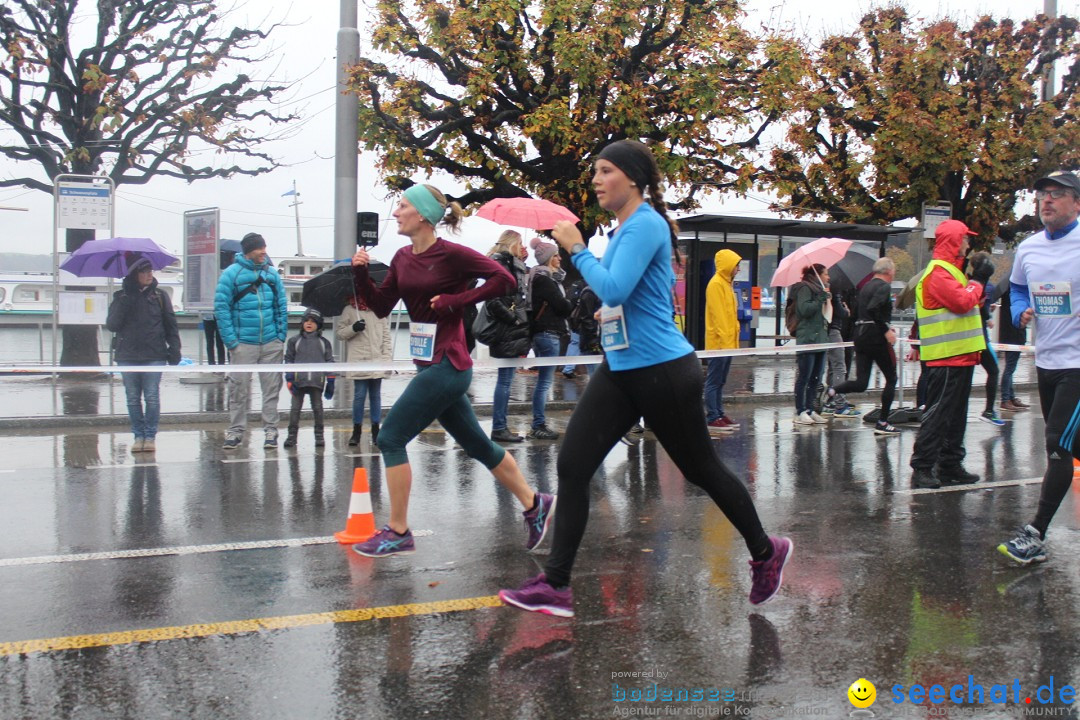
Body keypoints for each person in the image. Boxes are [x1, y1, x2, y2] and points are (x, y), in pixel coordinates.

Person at [499, 139, 791, 617]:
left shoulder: (644, 225)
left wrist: (574, 248)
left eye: (605, 170)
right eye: (595, 170)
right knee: (573, 467)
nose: (595, 179)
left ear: (632, 178)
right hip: (622, 367)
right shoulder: (621, 232)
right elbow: (616, 296)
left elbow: (611, 284)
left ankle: (766, 551)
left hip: (661, 370)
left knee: (701, 470)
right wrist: (599, 309)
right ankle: (555, 585)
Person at [348, 183, 555, 557]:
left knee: (390, 439)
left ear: (424, 216)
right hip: (428, 363)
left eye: (403, 205)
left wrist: (455, 301)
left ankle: (398, 531)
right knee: (477, 444)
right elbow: (379, 307)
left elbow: (503, 280)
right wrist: (361, 275)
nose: (395, 212)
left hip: (449, 363)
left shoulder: (452, 255)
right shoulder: (401, 258)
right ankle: (534, 503)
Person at [997, 170, 1080, 564]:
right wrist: (1019, 311)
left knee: (1056, 446)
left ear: (1077, 203)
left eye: (1058, 194)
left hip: (1078, 365)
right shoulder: (1028, 248)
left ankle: (1035, 533)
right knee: (1072, 444)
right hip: (1046, 360)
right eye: (1044, 194)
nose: (1047, 200)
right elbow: (1016, 287)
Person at [908, 219, 985, 490]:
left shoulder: (951, 272)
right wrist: (978, 282)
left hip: (959, 356)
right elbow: (963, 302)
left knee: (955, 415)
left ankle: (950, 464)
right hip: (946, 358)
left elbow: (970, 302)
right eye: (965, 238)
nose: (968, 243)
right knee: (939, 414)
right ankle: (923, 467)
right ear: (954, 241)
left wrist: (976, 285)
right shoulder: (939, 273)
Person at [215, 232, 289, 450]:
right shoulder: (231, 275)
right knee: (238, 389)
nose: (264, 252)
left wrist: (280, 336)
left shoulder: (271, 275)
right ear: (248, 251)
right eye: (260, 248)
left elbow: (281, 305)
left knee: (271, 388)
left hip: (270, 342)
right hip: (242, 343)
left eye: (265, 247)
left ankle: (270, 430)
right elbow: (221, 308)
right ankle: (236, 430)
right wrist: (232, 342)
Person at [106, 257, 182, 453]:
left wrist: (174, 349)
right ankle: (138, 435)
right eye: (144, 271)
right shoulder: (121, 296)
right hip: (127, 355)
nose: (149, 275)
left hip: (154, 353)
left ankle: (150, 436)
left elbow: (170, 324)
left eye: (151, 271)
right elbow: (112, 325)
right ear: (134, 275)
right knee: (132, 397)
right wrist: (126, 300)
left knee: (151, 396)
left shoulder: (159, 296)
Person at [824, 257, 900, 435]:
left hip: (860, 335)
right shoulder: (883, 286)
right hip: (876, 337)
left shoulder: (865, 288)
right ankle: (883, 421)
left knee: (861, 382)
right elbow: (874, 309)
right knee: (892, 377)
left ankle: (834, 390)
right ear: (889, 271)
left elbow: (858, 312)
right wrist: (886, 330)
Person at [483, 230, 531, 443]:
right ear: (512, 243)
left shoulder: (508, 262)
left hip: (509, 329)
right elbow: (495, 299)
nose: (522, 247)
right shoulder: (501, 263)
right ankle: (499, 427)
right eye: (520, 243)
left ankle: (500, 427)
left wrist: (521, 262)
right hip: (506, 330)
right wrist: (513, 319)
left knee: (506, 379)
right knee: (505, 380)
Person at [526, 236, 573, 440]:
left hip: (541, 334)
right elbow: (563, 307)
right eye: (556, 256)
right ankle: (538, 424)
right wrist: (569, 300)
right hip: (548, 334)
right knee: (544, 382)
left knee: (544, 381)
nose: (560, 259)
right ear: (548, 259)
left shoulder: (537, 278)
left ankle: (538, 422)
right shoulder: (545, 280)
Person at [337, 294, 392, 447]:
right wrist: (353, 328)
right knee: (359, 396)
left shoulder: (379, 311)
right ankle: (356, 431)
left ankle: (376, 431)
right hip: (359, 361)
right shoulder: (349, 310)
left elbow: (386, 338)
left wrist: (387, 361)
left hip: (377, 361)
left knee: (375, 396)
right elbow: (340, 333)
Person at [283, 308, 335, 448]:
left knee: (318, 409)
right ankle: (291, 437)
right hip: (298, 382)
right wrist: (289, 379)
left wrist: (331, 381)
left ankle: (319, 437)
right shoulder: (294, 341)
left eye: (313, 321)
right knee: (295, 409)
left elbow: (330, 362)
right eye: (306, 320)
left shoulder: (324, 342)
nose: (309, 323)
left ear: (319, 324)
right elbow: (288, 360)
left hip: (316, 382)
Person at [704, 248, 742, 433]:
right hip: (719, 345)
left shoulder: (726, 284)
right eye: (737, 265)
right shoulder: (716, 284)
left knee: (720, 381)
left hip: (727, 344)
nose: (739, 269)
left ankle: (718, 413)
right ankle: (713, 416)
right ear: (729, 266)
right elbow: (719, 318)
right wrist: (726, 344)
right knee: (714, 380)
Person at [967, 251, 1005, 426]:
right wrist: (988, 317)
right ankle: (988, 410)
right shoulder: (985, 287)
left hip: (966, 337)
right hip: (979, 337)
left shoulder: (966, 281)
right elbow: (981, 308)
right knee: (994, 370)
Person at [791, 265, 830, 425]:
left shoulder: (821, 289)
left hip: (820, 339)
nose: (828, 277)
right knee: (804, 377)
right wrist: (820, 298)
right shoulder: (804, 288)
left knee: (816, 377)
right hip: (808, 339)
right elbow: (804, 310)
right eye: (826, 274)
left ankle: (810, 409)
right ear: (818, 275)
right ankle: (800, 411)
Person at [821, 286, 859, 417]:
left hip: (826, 330)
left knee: (831, 367)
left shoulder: (824, 288)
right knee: (839, 367)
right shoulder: (835, 289)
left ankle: (828, 401)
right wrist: (846, 311)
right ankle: (840, 404)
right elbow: (840, 312)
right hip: (834, 330)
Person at [997, 286, 1029, 413]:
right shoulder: (1016, 292)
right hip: (1014, 335)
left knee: (1010, 367)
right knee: (1010, 368)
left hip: (1007, 333)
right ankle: (1005, 399)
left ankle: (1010, 397)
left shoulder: (1005, 290)